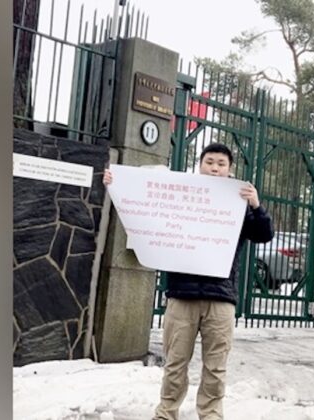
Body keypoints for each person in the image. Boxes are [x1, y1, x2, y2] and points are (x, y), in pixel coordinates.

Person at [103, 143, 274, 420]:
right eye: (209, 162)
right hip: (181, 295)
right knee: (175, 363)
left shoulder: (238, 203)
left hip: (221, 298)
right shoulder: (180, 195)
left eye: (221, 163)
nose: (215, 168)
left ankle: (210, 415)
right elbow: (146, 207)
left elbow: (263, 234)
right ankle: (166, 413)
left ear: (230, 170)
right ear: (200, 165)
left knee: (216, 366)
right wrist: (117, 185)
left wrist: (256, 205)